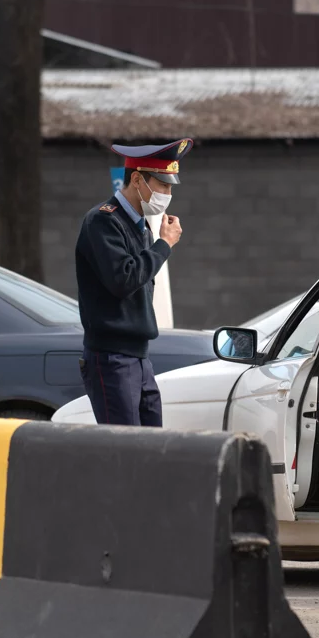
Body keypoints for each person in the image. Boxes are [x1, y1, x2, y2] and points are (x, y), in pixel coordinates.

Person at [74, 138, 190, 426]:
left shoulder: (141, 226)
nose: (167, 193)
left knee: (150, 450)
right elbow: (124, 279)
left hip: (139, 357)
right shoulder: (103, 221)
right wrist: (164, 244)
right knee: (124, 454)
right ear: (137, 179)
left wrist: (157, 242)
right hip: (112, 357)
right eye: (163, 185)